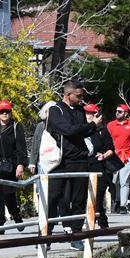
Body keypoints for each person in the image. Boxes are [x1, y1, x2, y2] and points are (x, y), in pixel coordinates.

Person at [45, 83, 92, 238]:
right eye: (78, 96)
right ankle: (47, 231)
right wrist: (89, 126)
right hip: (60, 161)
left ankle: (77, 233)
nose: (81, 99)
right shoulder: (55, 110)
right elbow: (68, 130)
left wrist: (94, 126)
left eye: (82, 96)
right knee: (54, 196)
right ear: (68, 95)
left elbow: (82, 132)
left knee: (79, 198)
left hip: (80, 159)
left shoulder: (79, 110)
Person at [0, 99, 28, 228]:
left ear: (11, 112)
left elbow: (22, 148)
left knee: (8, 193)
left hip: (10, 165)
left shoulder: (16, 127)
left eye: (7, 111)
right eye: (1, 111)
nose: (4, 113)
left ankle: (15, 214)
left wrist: (21, 164)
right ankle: (0, 223)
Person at [84, 103, 123, 229]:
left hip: (100, 169)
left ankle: (101, 224)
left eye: (91, 113)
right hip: (86, 167)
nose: (88, 116)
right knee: (87, 197)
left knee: (97, 198)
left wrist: (103, 156)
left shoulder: (103, 131)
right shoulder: (82, 129)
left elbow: (111, 149)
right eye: (87, 113)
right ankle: (95, 222)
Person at [106, 103, 130, 214]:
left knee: (125, 181)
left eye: (120, 111)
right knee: (114, 181)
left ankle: (123, 205)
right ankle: (116, 200)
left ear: (126, 113)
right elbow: (106, 141)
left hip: (127, 156)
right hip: (113, 156)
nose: (117, 113)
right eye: (116, 111)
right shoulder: (110, 125)